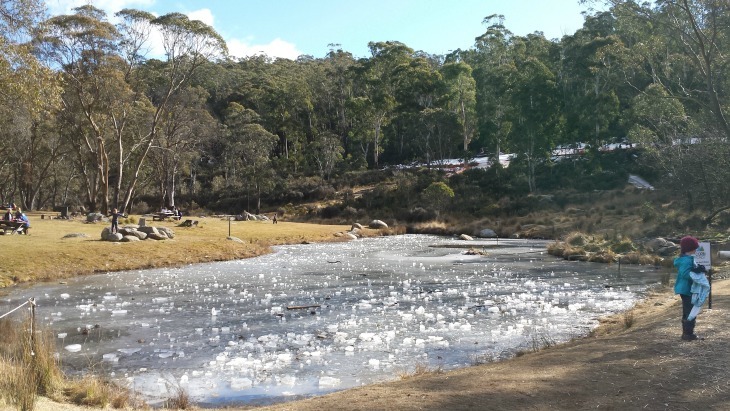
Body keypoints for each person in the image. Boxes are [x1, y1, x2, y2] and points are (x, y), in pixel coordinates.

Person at [674, 236, 705, 341]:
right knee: (691, 311)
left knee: (688, 311)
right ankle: (688, 334)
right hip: (687, 289)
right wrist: (695, 271)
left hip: (686, 289)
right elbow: (685, 274)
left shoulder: (687, 259)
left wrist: (697, 269)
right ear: (690, 248)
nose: (697, 249)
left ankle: (686, 333)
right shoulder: (686, 260)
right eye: (695, 247)